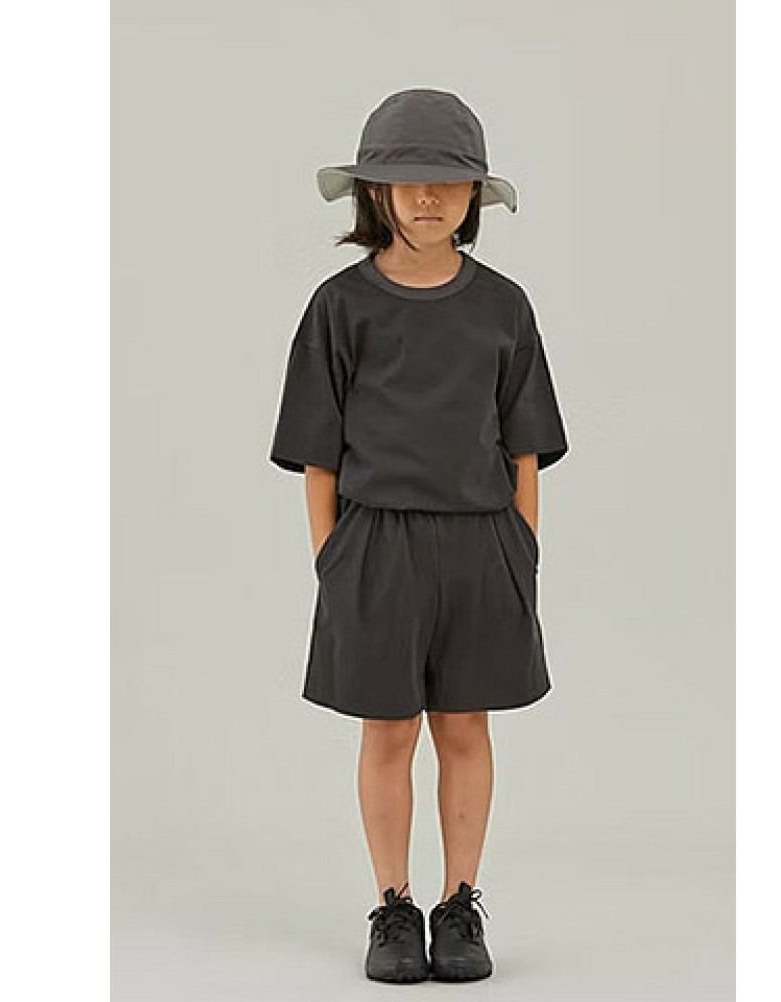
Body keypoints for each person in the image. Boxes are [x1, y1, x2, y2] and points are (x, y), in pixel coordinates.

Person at [268, 88, 569, 984]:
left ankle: (459, 904)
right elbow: (317, 452)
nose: (429, 197)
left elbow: (524, 445)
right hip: (376, 547)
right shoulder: (340, 308)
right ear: (376, 193)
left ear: (475, 194)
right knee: (389, 731)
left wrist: (520, 551)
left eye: (447, 180)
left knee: (466, 725)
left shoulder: (504, 307)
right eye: (408, 181)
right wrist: (334, 559)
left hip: (483, 544)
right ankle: (393, 907)